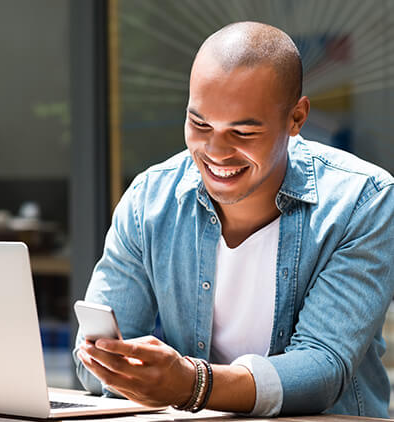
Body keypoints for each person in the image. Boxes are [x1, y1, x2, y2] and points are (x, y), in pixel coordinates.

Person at [73, 21, 394, 417]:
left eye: (242, 132)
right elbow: (93, 362)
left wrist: (192, 384)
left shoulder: (362, 201)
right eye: (200, 124)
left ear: (296, 118)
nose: (215, 151)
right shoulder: (149, 199)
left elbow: (323, 368)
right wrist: (114, 362)